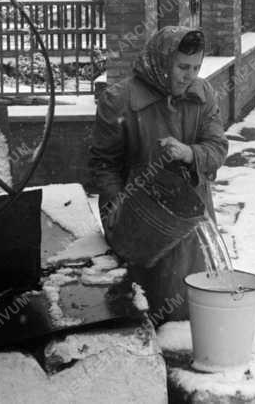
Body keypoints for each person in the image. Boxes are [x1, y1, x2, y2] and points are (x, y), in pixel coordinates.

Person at [88, 26, 228, 324]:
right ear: (162, 61)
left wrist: (190, 154)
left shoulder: (202, 96)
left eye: (196, 67)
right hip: (140, 220)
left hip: (191, 216)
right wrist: (116, 207)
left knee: (189, 303)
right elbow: (104, 163)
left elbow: (217, 147)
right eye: (181, 67)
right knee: (144, 306)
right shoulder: (120, 101)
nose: (189, 75)